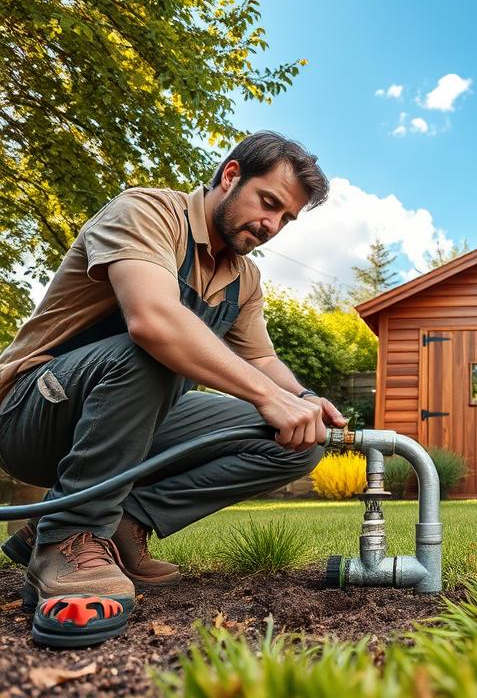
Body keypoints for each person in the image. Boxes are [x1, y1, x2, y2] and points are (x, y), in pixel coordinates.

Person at [0, 131, 345, 636]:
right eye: (267, 203)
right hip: (32, 411)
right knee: (158, 351)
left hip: (129, 423)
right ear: (230, 176)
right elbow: (153, 321)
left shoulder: (242, 279)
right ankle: (69, 538)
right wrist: (270, 397)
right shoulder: (147, 213)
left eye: (285, 218)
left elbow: (263, 358)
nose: (271, 225)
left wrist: (306, 401)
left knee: (295, 442)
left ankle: (120, 524)